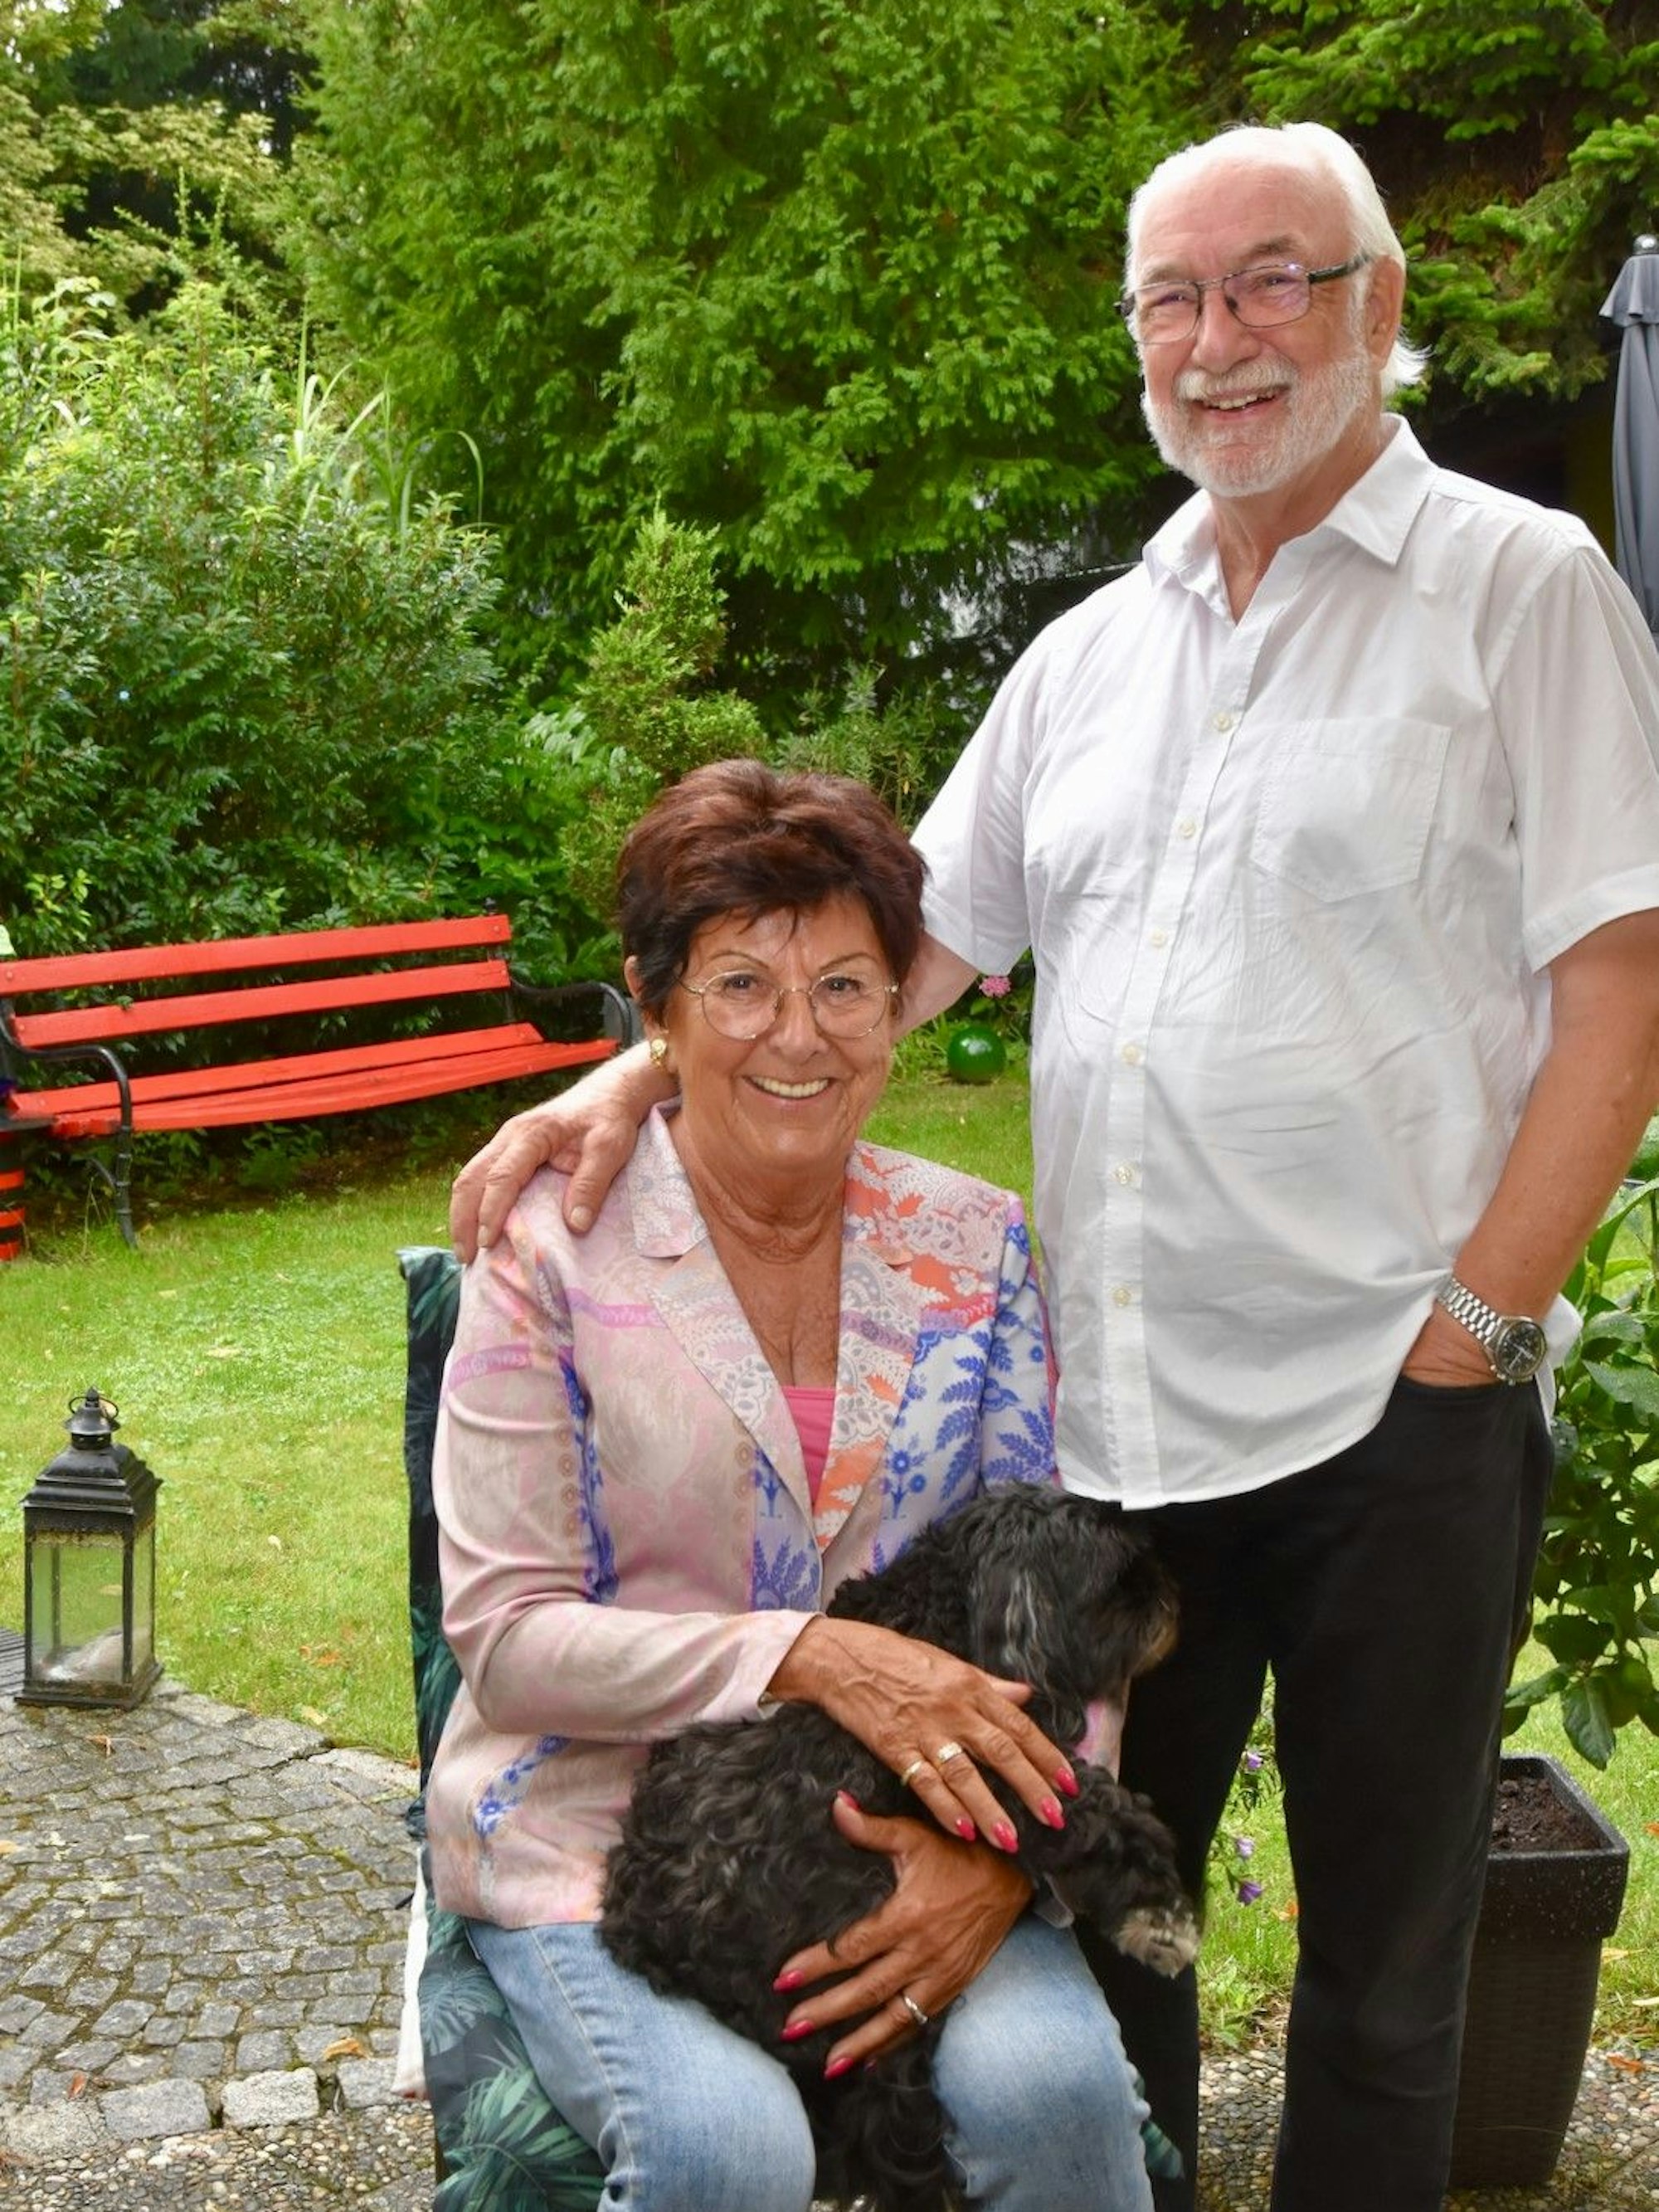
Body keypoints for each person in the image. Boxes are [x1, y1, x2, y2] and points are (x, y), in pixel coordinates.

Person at [449, 124, 1659, 2211]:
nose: (1220, 340)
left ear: (1376, 306)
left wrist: (1473, 1333)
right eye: (1172, 301)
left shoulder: (1519, 591)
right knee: (1102, 1940)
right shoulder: (1093, 646)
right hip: (1114, 1438)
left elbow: (1626, 977)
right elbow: (864, 962)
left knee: (1384, 1977)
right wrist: (624, 1083)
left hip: (1396, 1413)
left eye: (1271, 281)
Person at [426, 758, 1157, 2212]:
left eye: (844, 986)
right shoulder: (549, 1255)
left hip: (927, 1826)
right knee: (725, 2150)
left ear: (898, 1009)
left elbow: (1072, 1609)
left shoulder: (976, 1245)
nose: (799, 1034)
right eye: (742, 984)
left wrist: (1013, 1863)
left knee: (1061, 2098)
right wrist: (815, 1656)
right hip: (604, 1838)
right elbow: (505, 1634)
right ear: (658, 1012)